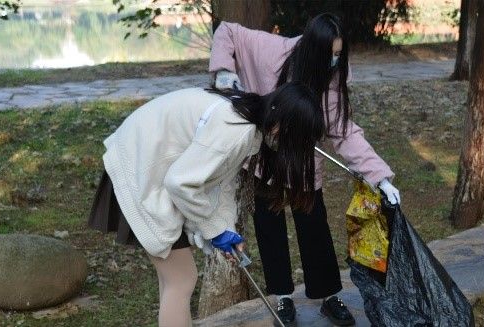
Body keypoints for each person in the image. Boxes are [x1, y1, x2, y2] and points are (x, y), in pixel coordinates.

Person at [208, 12, 401, 326]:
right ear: (312, 49)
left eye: (340, 54)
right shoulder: (273, 50)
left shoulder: (334, 82)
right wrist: (224, 71)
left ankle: (328, 296)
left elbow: (343, 131)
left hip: (305, 167)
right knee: (270, 230)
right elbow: (227, 31)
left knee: (315, 228)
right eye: (330, 55)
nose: (335, 61)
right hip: (265, 161)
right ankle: (282, 299)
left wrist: (380, 177)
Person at [88, 82, 324, 327]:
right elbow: (180, 183)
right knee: (182, 280)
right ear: (281, 124)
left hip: (148, 165)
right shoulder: (236, 130)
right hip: (139, 169)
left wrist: (224, 229)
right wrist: (215, 230)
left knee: (174, 280)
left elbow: (220, 182)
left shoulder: (247, 120)